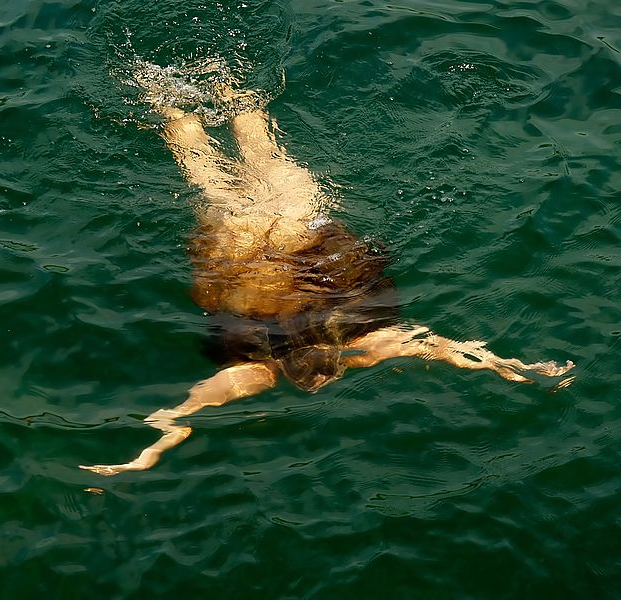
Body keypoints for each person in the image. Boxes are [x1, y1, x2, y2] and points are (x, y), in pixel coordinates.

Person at [79, 62, 574, 476]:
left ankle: (218, 91)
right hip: (246, 248)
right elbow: (182, 414)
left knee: (262, 156)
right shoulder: (271, 369)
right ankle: (173, 100)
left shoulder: (344, 352)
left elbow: (443, 348)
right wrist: (513, 367)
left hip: (296, 235)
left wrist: (514, 367)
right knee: (210, 174)